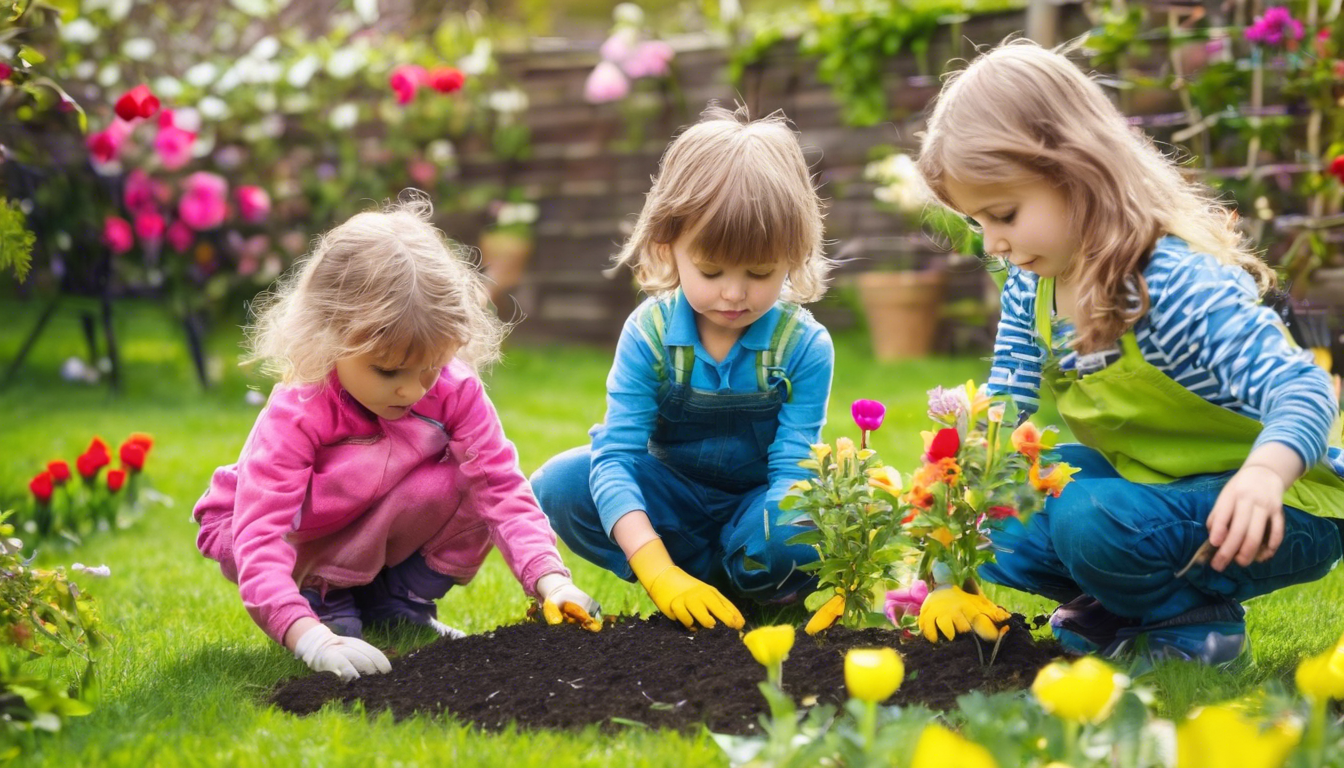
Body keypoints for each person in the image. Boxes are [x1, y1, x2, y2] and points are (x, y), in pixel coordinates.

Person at [914, 39, 1344, 665]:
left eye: (1003, 214)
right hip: (1156, 496)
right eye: (978, 222)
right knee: (1000, 516)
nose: (993, 243)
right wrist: (955, 507)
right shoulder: (1032, 280)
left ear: (1077, 172)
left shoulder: (1169, 281)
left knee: (1088, 519)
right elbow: (1008, 396)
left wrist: (1262, 476)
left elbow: (1304, 390)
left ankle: (1197, 624)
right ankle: (1123, 602)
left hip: (1280, 506)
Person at [194, 193, 598, 680]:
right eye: (388, 371)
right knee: (338, 609)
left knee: (470, 477)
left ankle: (396, 600)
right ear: (330, 336)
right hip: (284, 532)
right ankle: (322, 595)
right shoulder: (298, 412)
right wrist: (307, 634)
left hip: (368, 514)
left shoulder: (454, 389)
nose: (411, 389)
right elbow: (263, 534)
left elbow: (501, 488)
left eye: (429, 368)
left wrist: (553, 582)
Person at [530, 104, 835, 630]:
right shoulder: (649, 336)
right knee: (561, 484)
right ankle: (691, 580)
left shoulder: (802, 345)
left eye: (760, 272)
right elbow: (617, 458)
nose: (734, 293)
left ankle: (754, 583)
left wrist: (795, 544)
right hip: (670, 501)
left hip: (756, 507)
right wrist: (657, 571)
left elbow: (791, 474)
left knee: (799, 525)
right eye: (711, 270)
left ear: (794, 253)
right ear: (669, 246)